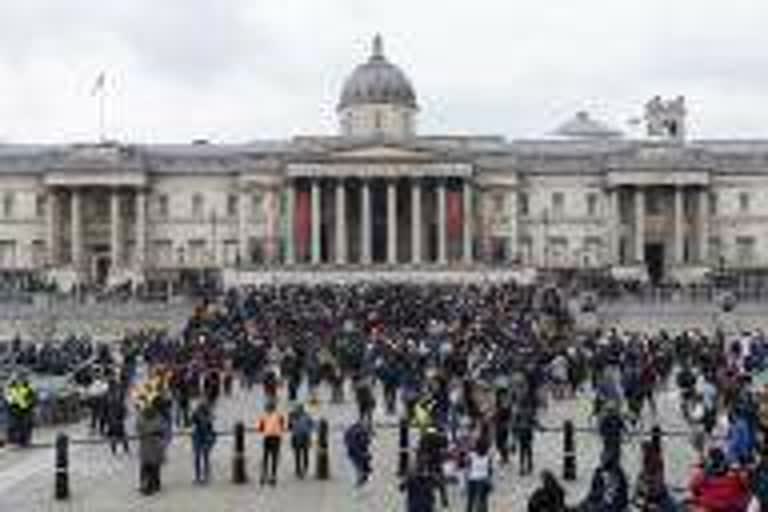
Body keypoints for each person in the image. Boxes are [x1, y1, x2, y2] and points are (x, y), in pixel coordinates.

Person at [688, 446, 750, 512]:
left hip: (719, 505)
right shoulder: (736, 476)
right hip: (729, 506)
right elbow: (746, 490)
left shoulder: (701, 476)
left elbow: (693, 489)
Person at [137, 403, 167, 495]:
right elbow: (138, 428)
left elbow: (162, 429)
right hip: (148, 445)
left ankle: (153, 484)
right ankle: (147, 484)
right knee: (148, 466)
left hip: (154, 445)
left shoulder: (157, 418)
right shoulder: (143, 418)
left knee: (153, 466)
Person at [256, 401, 286, 486]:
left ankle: (264, 474)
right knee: (274, 457)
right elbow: (282, 426)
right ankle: (273, 476)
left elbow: (260, 428)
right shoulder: (279, 416)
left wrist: (265, 428)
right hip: (276, 437)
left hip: (267, 437)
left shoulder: (263, 416)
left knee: (266, 456)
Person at [190, 399, 216, 484]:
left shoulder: (208, 415)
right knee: (200, 457)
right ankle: (199, 475)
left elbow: (210, 424)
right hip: (199, 436)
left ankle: (205, 475)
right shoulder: (197, 414)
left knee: (204, 456)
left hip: (203, 436)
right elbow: (192, 421)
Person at [465, 438, 493, 512]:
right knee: (483, 500)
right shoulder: (488, 456)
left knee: (470, 499)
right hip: (484, 479)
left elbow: (467, 467)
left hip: (472, 479)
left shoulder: (471, 455)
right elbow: (490, 470)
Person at [288, 403, 314, 479]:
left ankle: (304, 468)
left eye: (299, 409)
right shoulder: (292, 416)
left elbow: (311, 425)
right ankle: (298, 469)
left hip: (305, 436)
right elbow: (290, 427)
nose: (298, 411)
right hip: (296, 437)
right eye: (297, 409)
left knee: (305, 453)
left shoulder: (307, 416)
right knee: (298, 454)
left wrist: (308, 432)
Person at [344, 419, 372, 486]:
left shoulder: (363, 432)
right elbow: (352, 446)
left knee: (359, 465)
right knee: (358, 465)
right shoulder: (354, 435)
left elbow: (368, 441)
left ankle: (363, 475)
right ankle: (361, 477)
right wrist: (362, 455)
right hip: (354, 451)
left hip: (358, 450)